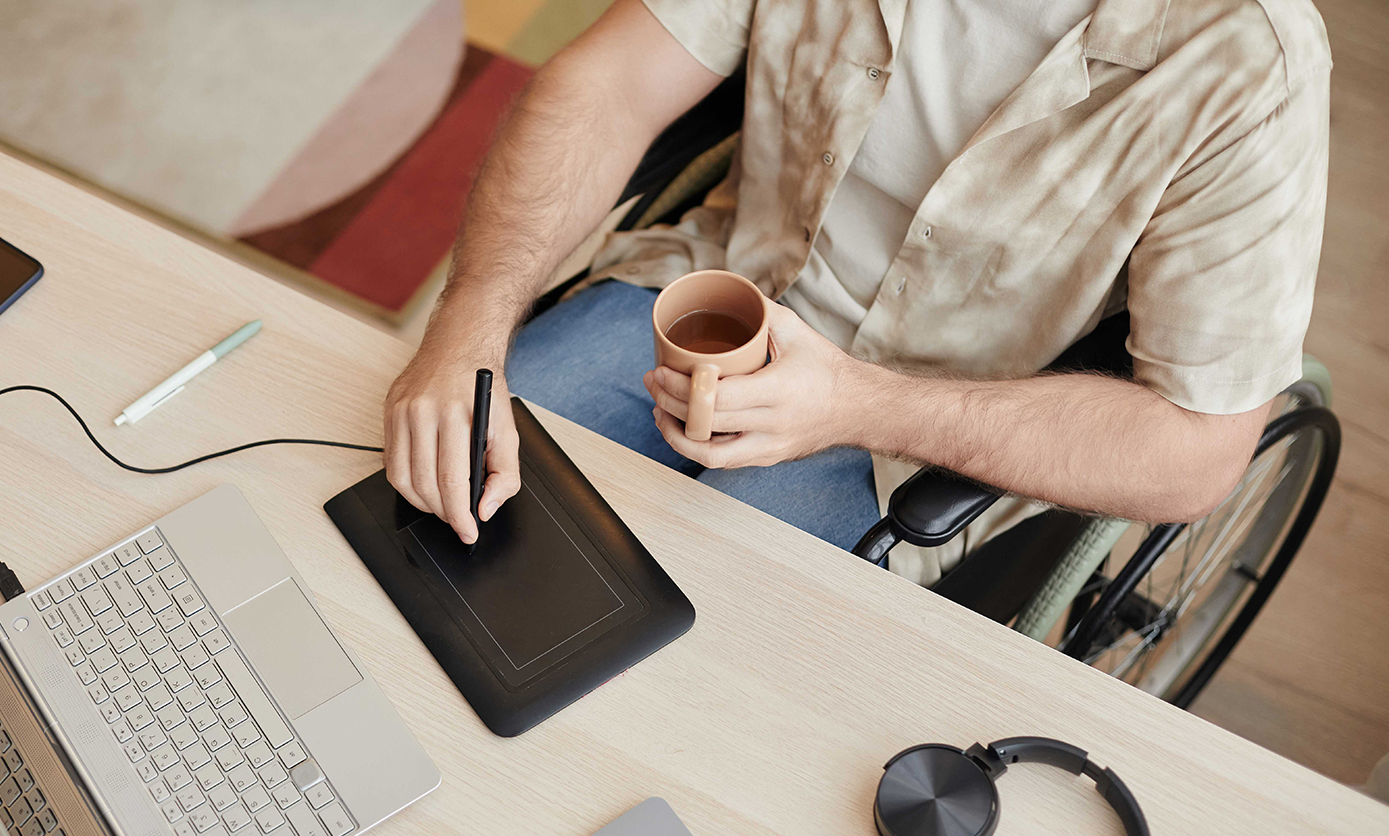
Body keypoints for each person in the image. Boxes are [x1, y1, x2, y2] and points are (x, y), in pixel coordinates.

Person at [382, 0, 1330, 584]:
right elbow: (608, 85)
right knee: (426, 513)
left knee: (670, 669)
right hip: (721, 284)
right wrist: (465, 326)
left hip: (920, 426)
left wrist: (851, 403)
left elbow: (1199, 452)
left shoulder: (1255, 65)